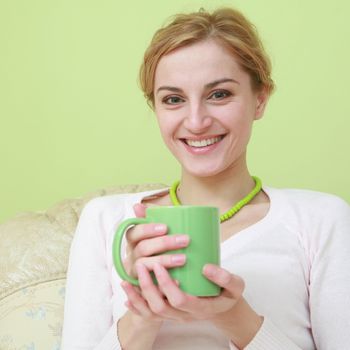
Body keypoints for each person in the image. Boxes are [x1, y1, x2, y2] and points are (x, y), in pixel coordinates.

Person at [61, 7, 350, 350]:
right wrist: (143, 314)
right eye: (174, 99)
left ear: (260, 99)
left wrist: (238, 320)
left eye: (219, 94)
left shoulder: (322, 219)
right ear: (155, 108)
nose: (196, 121)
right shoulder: (105, 220)